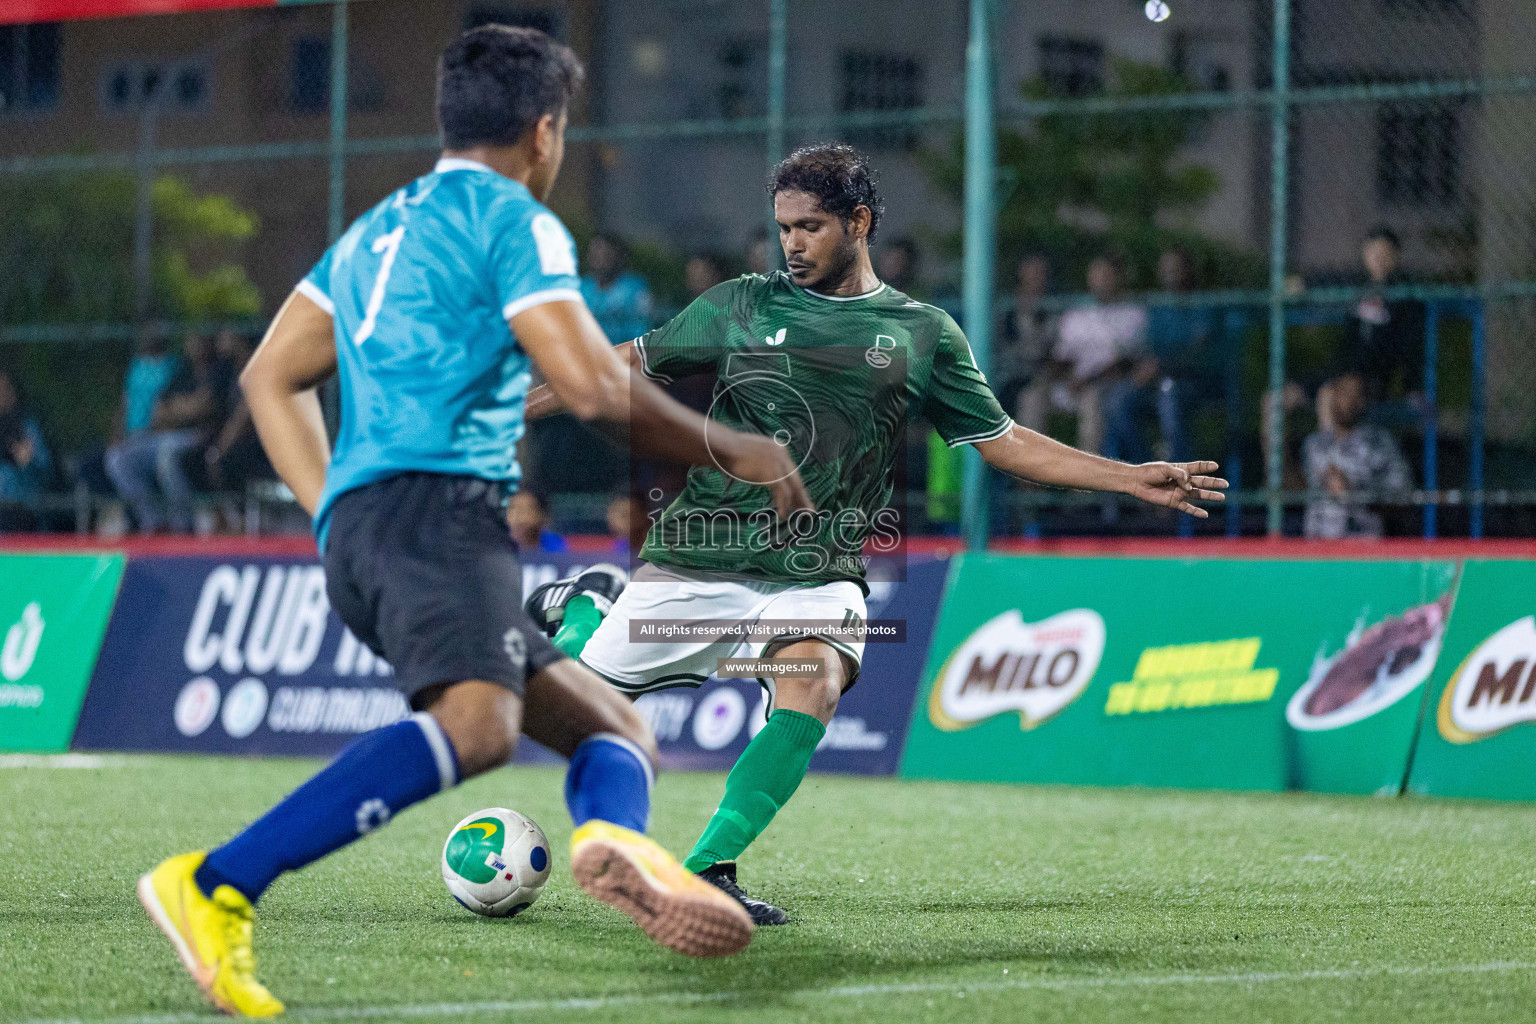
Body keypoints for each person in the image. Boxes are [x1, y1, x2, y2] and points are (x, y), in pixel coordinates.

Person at [136, 26, 812, 1017]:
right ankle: (217, 881)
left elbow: (268, 379)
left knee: (614, 728)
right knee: (479, 724)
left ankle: (610, 840)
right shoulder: (514, 221)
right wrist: (738, 446)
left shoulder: (375, 230)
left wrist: (332, 513)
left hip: (378, 525)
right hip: (437, 515)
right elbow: (588, 384)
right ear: (544, 132)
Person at [523, 143, 1226, 926]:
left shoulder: (921, 333)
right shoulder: (741, 303)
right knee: (578, 706)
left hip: (817, 569)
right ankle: (584, 612)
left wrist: (1130, 475)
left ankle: (707, 870)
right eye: (784, 226)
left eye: (811, 227)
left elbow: (1003, 441)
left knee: (814, 682)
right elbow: (622, 363)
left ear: (859, 223)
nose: (791, 243)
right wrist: (515, 408)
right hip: (702, 552)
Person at [106, 332, 235, 533]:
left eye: (198, 340)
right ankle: (154, 523)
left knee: (167, 454)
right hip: (165, 435)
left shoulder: (220, 370)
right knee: (118, 459)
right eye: (190, 340)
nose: (193, 345)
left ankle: (182, 526)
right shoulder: (184, 372)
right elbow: (159, 412)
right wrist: (188, 407)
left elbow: (208, 405)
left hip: (198, 438)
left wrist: (179, 409)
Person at [1018, 254, 1147, 455]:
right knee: (1031, 397)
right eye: (1095, 275)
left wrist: (1085, 381)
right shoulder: (1077, 314)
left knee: (1092, 403)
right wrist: (1054, 377)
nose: (1100, 281)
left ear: (1118, 278)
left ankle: (1084, 483)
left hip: (1104, 386)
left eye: (1105, 275)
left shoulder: (1133, 314)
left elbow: (1122, 363)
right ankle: (1028, 482)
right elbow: (1062, 357)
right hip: (1071, 385)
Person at [1105, 248, 1215, 464]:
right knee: (1119, 400)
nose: (1170, 273)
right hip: (1154, 384)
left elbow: (1199, 354)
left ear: (1188, 271)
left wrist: (1162, 365)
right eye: (1165, 268)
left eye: (1175, 268)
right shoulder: (1157, 308)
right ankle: (1146, 471)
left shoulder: (1204, 306)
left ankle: (1178, 474)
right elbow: (1146, 349)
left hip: (1193, 383)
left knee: (1169, 396)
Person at [1303, 371, 1411, 539]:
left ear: (1364, 400)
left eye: (1357, 394)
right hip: (1318, 547)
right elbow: (1293, 490)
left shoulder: (1380, 443)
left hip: (1364, 547)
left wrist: (1354, 494)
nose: (1350, 400)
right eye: (1343, 392)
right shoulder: (1315, 444)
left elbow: (1401, 498)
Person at [1340, 226, 1424, 422]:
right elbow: (1327, 280)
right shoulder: (1358, 285)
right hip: (1346, 366)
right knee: (1323, 396)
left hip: (1375, 372)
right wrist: (1302, 283)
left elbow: (1411, 344)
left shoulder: (1404, 292)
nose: (1378, 258)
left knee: (1337, 398)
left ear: (1396, 256)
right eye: (1373, 252)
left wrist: (1413, 387)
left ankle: (1345, 450)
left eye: (1385, 253)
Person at [0, 370, 54, 530]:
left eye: (6, 388)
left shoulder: (28, 426)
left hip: (27, 503)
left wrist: (28, 463)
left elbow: (47, 472)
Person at [579, 233, 653, 343]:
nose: (598, 257)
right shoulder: (582, 287)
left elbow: (642, 329)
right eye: (594, 253)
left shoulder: (634, 288)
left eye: (605, 253)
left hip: (624, 355)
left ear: (617, 256)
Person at [507, 488, 568, 552]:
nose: (517, 517)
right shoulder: (500, 545)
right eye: (512, 508)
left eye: (525, 511)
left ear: (542, 515)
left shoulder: (555, 547)